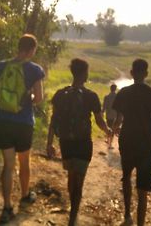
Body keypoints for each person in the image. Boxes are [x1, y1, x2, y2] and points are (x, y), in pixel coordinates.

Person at [0, 34, 45, 224]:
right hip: (24, 123)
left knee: (8, 165)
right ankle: (25, 195)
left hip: (3, 122)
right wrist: (24, 103)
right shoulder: (35, 70)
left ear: (18, 47)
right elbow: (39, 98)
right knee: (24, 161)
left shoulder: (1, 66)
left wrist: (3, 102)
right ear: (31, 50)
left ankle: (7, 207)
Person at [46, 58, 110, 226]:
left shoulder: (60, 94)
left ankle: (72, 210)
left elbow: (54, 120)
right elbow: (98, 120)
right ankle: (73, 216)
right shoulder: (91, 96)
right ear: (84, 74)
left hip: (66, 142)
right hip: (83, 143)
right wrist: (107, 130)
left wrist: (49, 143)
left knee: (71, 175)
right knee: (79, 180)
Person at [112, 59, 151, 226]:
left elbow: (119, 119)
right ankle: (141, 223)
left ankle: (128, 215)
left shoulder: (124, 93)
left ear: (132, 73)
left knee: (127, 177)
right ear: (146, 74)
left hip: (128, 141)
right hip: (148, 144)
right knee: (143, 187)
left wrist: (115, 128)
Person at [102, 83, 118, 149]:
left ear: (110, 89)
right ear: (115, 89)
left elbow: (104, 107)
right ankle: (110, 144)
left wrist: (102, 113)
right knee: (113, 129)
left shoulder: (107, 97)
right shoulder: (118, 97)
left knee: (108, 128)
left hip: (108, 115)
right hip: (115, 115)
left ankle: (108, 141)